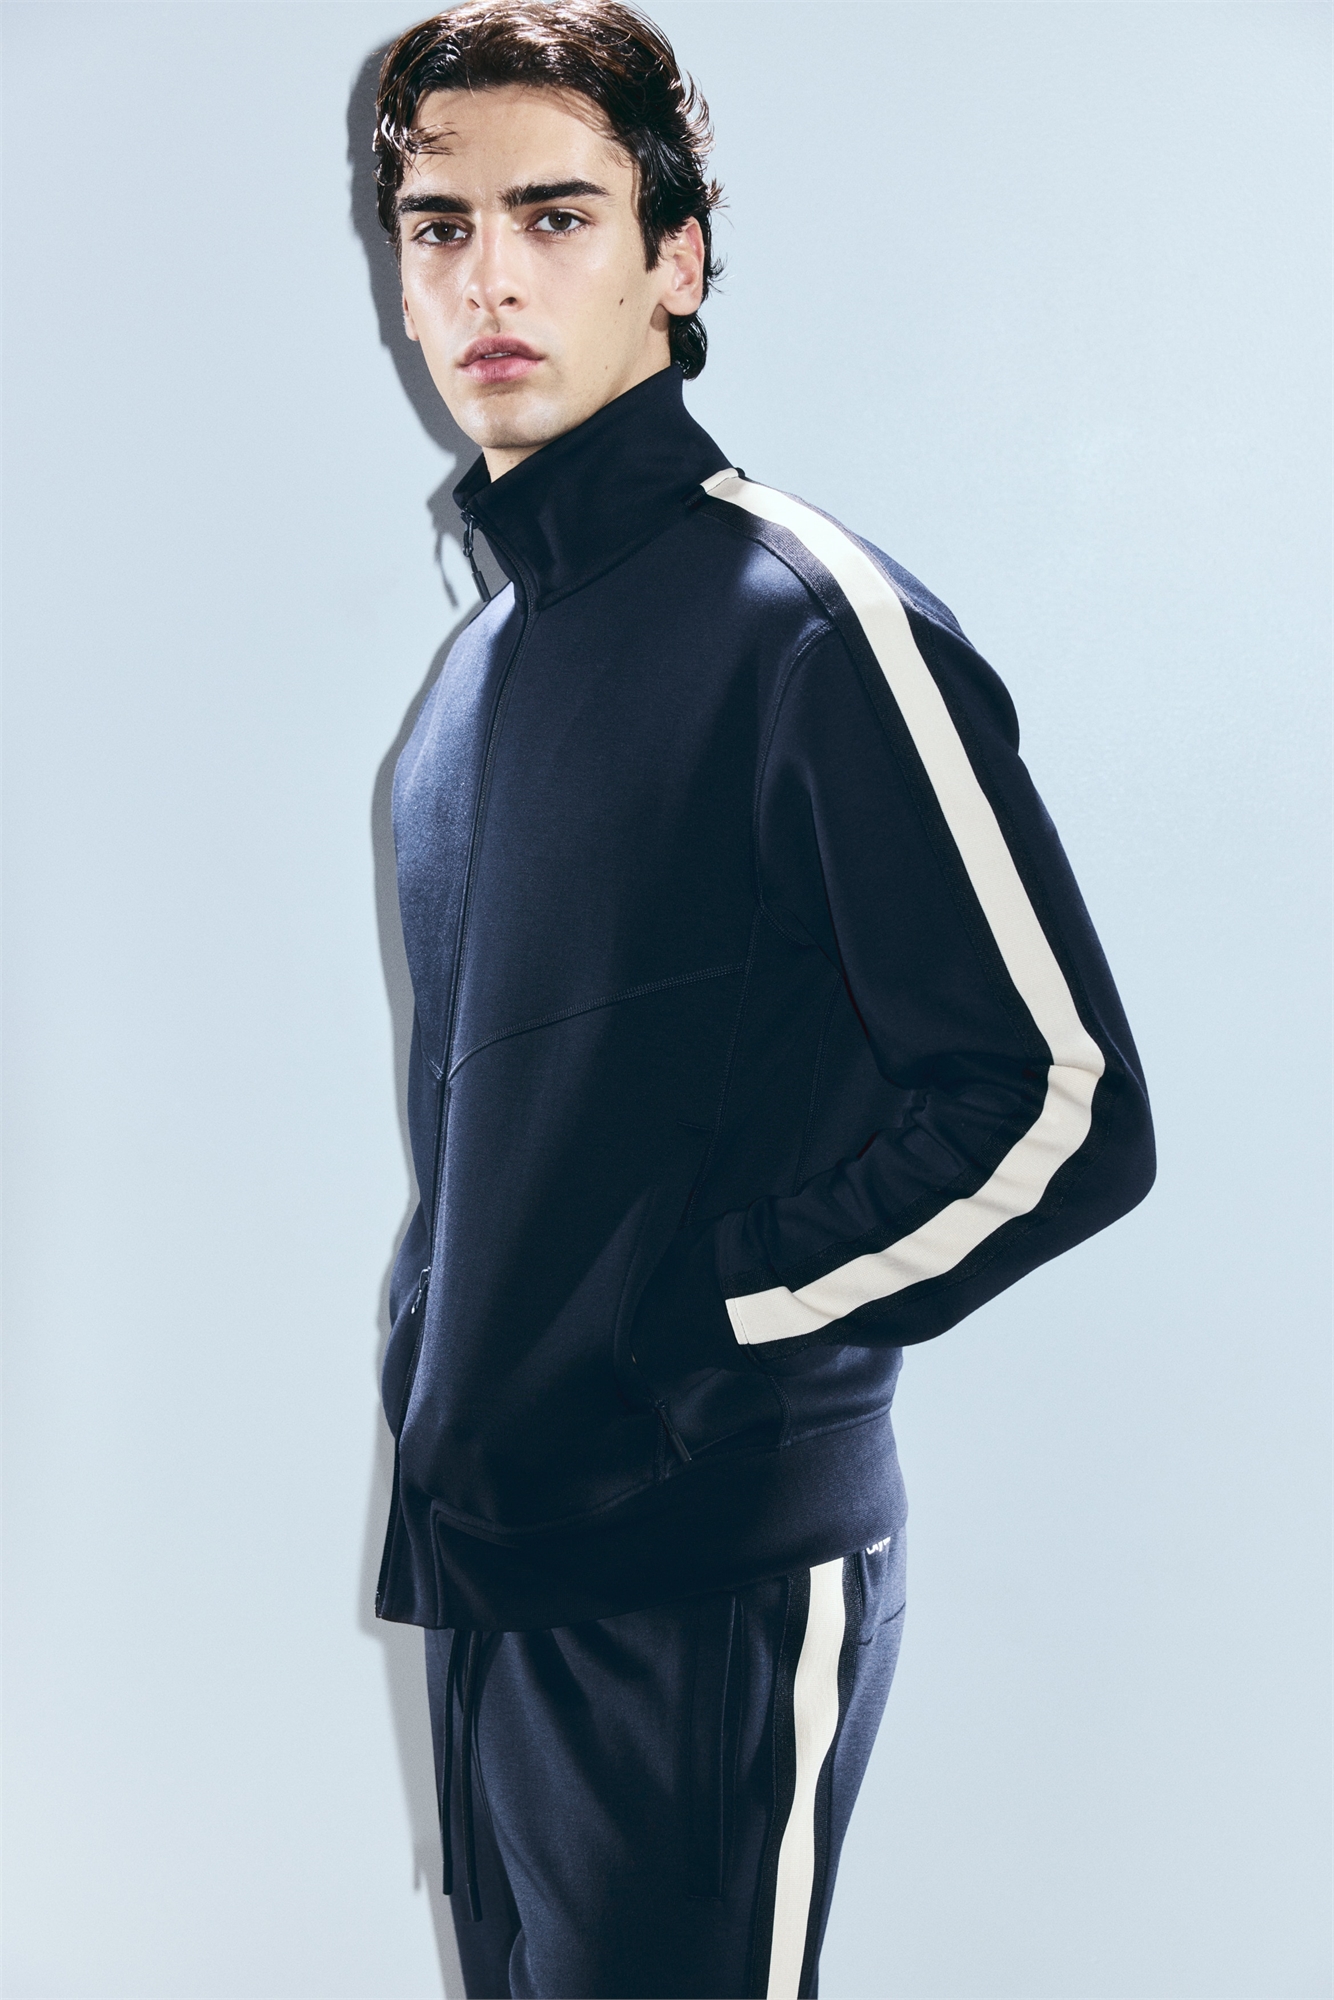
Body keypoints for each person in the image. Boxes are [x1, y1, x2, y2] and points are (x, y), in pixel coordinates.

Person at [368, 5, 1155, 1994]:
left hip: (704, 1561)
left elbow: (1057, 1105)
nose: (488, 277)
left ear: (677, 258)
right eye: (439, 225)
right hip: (492, 1566)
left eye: (555, 214)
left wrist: (695, 1328)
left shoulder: (805, 624)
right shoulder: (464, 702)